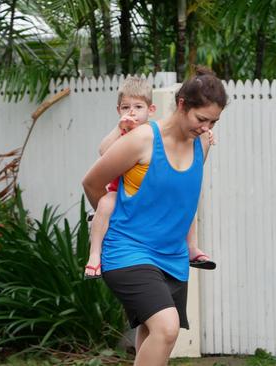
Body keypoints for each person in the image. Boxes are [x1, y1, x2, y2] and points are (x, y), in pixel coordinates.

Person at [81, 66, 228, 365]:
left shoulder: (200, 143)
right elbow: (91, 182)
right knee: (166, 327)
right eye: (202, 119)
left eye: (213, 121)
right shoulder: (143, 139)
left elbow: (183, 197)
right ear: (182, 104)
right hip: (129, 251)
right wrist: (116, 224)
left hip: (171, 255)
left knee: (152, 333)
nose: (206, 127)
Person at [84, 76, 215, 280]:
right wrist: (119, 130)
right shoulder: (124, 130)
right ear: (118, 109)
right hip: (119, 191)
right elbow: (103, 151)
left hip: (148, 197)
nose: (132, 112)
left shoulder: (153, 134)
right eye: (126, 107)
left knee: (185, 202)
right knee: (106, 203)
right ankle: (94, 255)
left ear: (151, 110)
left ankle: (192, 247)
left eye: (138, 106)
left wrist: (204, 137)